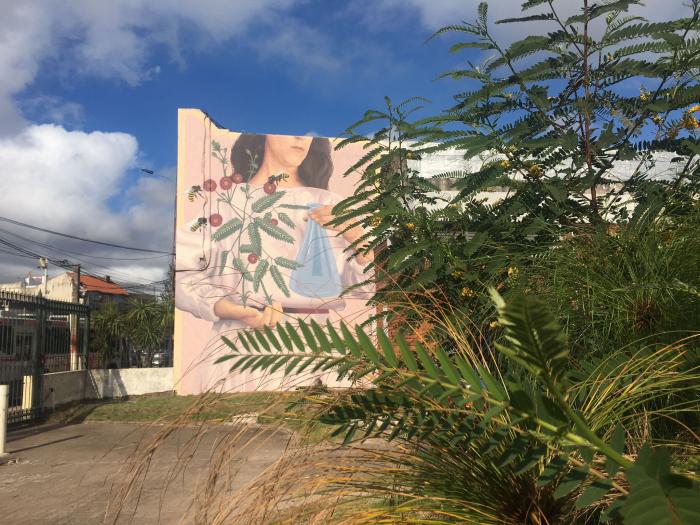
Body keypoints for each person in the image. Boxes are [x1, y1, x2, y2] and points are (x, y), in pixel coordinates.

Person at [175, 133, 371, 335]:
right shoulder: (227, 204)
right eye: (291, 127)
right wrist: (227, 308)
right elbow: (182, 275)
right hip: (242, 342)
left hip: (318, 342)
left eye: (309, 132)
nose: (301, 137)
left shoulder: (330, 203)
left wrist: (357, 236)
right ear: (264, 133)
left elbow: (368, 288)